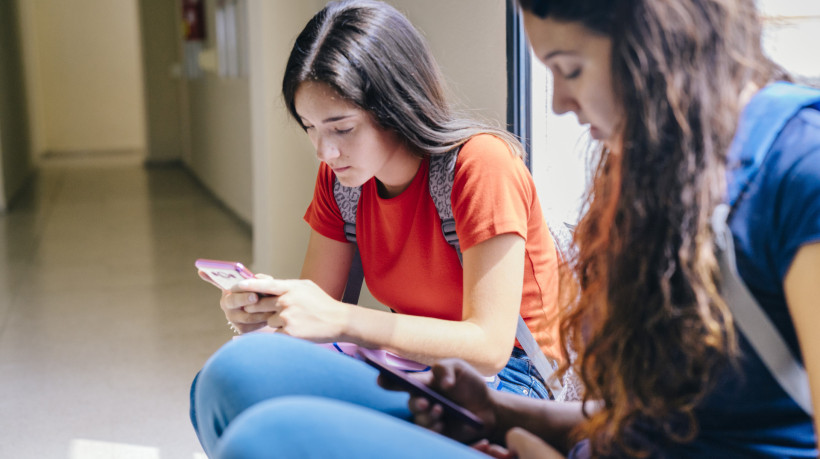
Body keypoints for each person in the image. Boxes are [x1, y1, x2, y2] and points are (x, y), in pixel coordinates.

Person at [210, 0, 820, 457]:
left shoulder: (796, 168)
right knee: (241, 373)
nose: (556, 102)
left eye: (570, 68)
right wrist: (505, 417)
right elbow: (656, 418)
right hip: (536, 418)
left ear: (656, 49)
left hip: (513, 382)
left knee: (266, 437)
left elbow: (491, 346)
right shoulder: (656, 173)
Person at [190, 0, 565, 456]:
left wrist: (344, 321)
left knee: (260, 425)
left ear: (396, 105)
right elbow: (317, 315)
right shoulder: (344, 183)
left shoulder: (480, 166)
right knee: (225, 378)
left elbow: (488, 348)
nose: (324, 151)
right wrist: (268, 314)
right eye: (309, 127)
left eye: (341, 128)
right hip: (412, 368)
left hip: (505, 390)